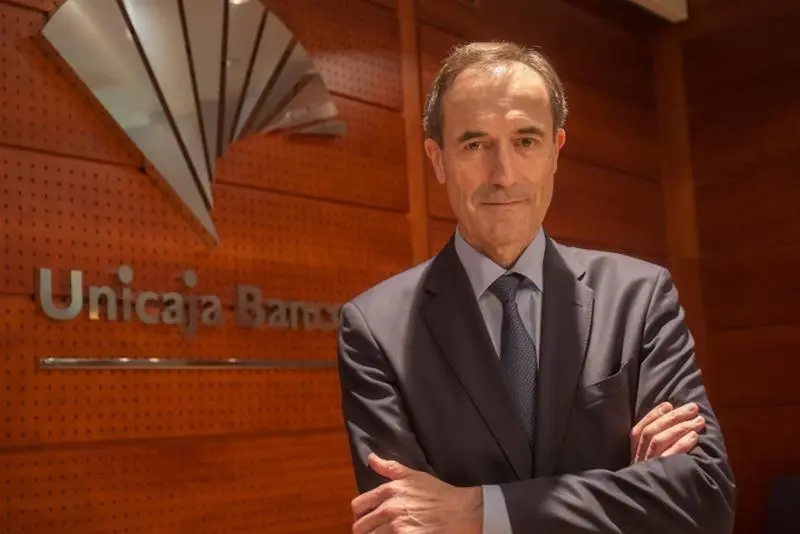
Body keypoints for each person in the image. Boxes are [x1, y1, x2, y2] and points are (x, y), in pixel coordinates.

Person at [336, 41, 735, 534]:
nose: (503, 175)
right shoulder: (373, 330)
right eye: (475, 145)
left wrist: (477, 511)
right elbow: (404, 523)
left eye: (526, 141)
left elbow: (705, 498)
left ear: (555, 151)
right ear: (437, 159)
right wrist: (631, 489)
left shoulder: (641, 298)